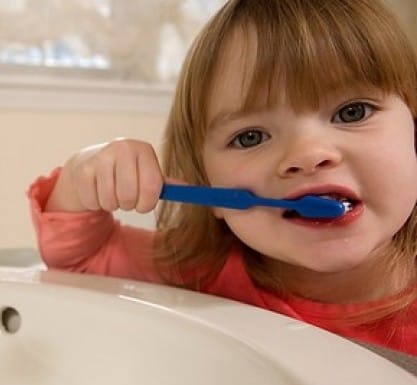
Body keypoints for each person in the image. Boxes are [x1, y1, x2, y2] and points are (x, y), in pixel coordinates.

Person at [28, 0, 417, 356]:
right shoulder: (205, 274)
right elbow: (82, 259)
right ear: (208, 190)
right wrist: (85, 171)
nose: (308, 155)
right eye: (250, 137)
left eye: (352, 113)